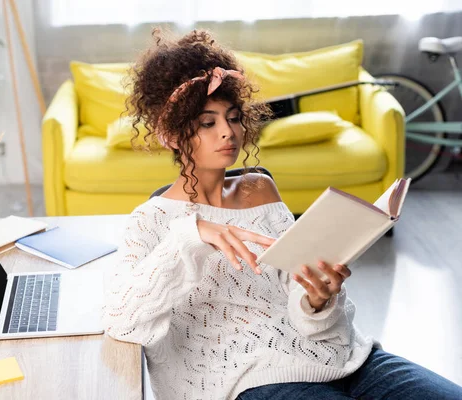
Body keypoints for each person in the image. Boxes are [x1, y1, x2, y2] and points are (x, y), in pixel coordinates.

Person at [102, 28, 462, 400]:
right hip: (248, 378)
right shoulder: (151, 220)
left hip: (344, 357)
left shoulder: (258, 190)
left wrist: (317, 300)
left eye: (234, 117)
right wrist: (190, 236)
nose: (228, 132)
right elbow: (123, 321)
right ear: (171, 134)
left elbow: (293, 292)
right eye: (208, 123)